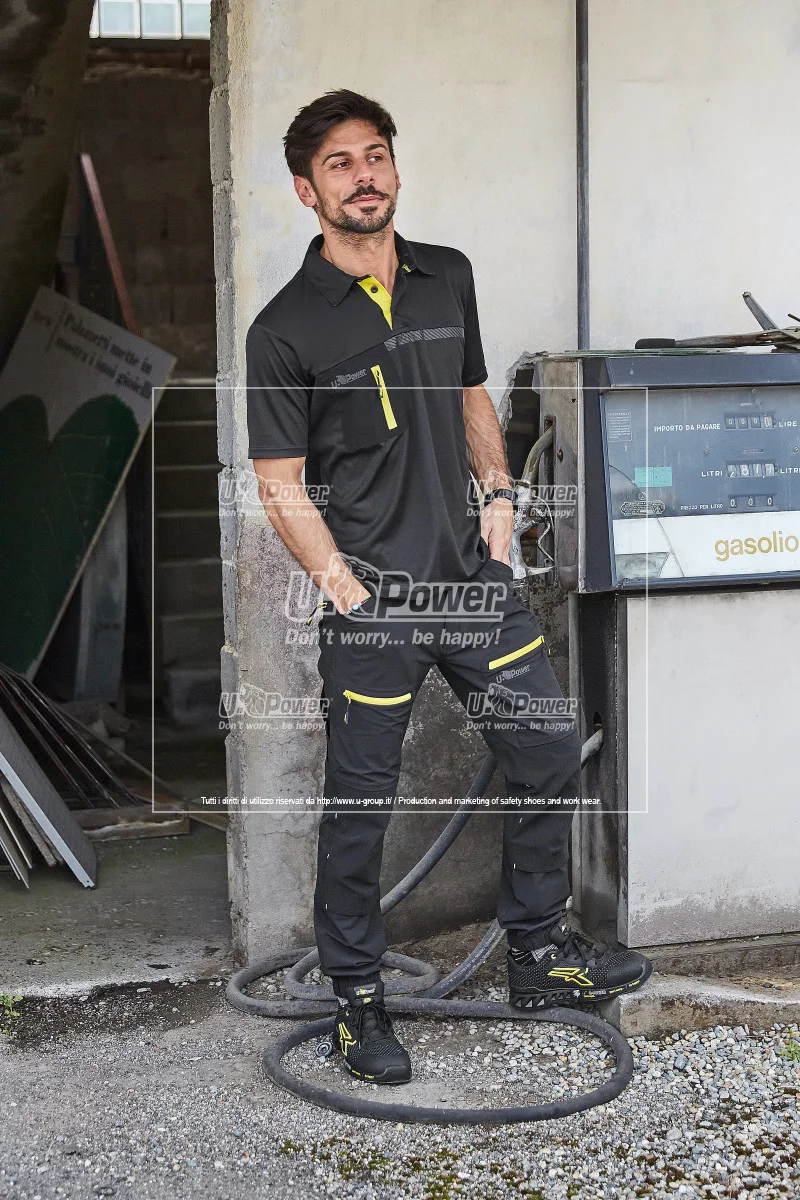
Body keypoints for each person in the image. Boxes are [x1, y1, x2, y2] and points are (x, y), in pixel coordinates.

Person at [246, 89, 651, 1086]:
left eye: (374, 155)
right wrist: (344, 589)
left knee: (546, 747)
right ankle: (356, 1000)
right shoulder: (283, 329)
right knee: (360, 804)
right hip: (374, 604)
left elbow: (472, 394)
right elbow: (277, 483)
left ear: (393, 167)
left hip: (472, 585)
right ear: (305, 191)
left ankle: (538, 954)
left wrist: (500, 491)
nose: (364, 176)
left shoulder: (447, 276)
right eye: (339, 164)